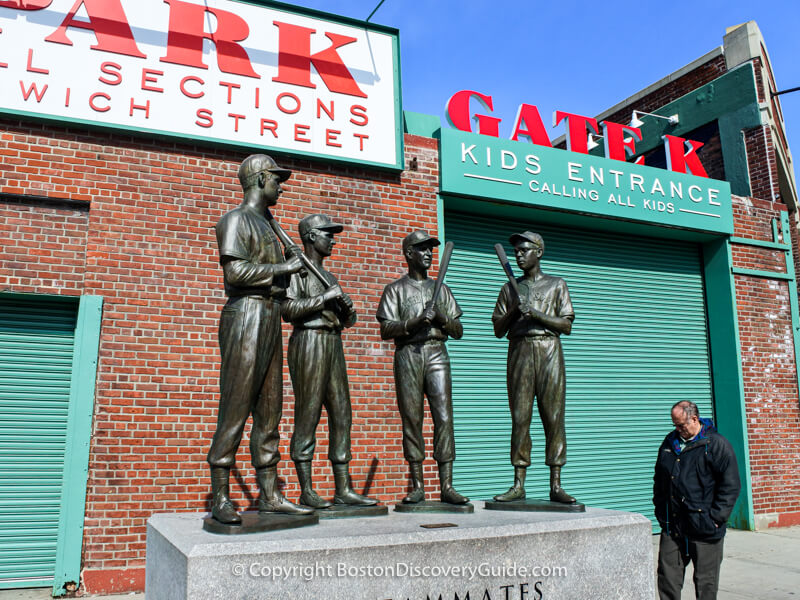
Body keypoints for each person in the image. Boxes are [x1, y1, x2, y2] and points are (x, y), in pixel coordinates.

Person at [206, 154, 312, 524]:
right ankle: (221, 496)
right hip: (245, 315)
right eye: (277, 179)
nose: (280, 186)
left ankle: (269, 494)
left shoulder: (269, 227)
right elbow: (235, 272)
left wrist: (293, 278)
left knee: (270, 412)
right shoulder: (236, 219)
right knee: (236, 407)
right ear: (260, 178)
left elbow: (281, 295)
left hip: (269, 316)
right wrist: (285, 267)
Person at [282, 214, 377, 509]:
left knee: (342, 413)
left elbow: (347, 321)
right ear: (311, 237)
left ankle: (343, 488)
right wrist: (324, 299)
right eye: (327, 234)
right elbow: (288, 310)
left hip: (333, 342)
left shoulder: (329, 276)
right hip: (308, 341)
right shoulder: (297, 273)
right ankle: (307, 490)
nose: (332, 240)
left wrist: (347, 310)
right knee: (308, 413)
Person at [376, 230, 469, 505]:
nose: (429, 253)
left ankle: (447, 485)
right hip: (408, 354)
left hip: (437, 352)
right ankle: (417, 485)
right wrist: (415, 322)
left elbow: (459, 330)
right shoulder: (395, 290)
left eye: (431, 249)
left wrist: (439, 316)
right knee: (412, 420)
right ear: (409, 254)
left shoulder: (441, 290)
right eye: (423, 248)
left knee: (444, 418)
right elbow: (386, 329)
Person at [491, 231, 576, 504]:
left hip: (549, 349)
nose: (518, 255)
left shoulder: (556, 285)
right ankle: (518, 484)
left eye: (524, 250)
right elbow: (497, 329)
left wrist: (536, 313)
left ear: (538, 252)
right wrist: (514, 310)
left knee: (554, 418)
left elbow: (566, 325)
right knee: (520, 419)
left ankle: (556, 483)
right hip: (520, 351)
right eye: (516, 251)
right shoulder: (509, 288)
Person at [654, 400, 741, 600]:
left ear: (694, 419)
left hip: (705, 526)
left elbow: (731, 486)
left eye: (681, 425)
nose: (677, 429)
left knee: (705, 583)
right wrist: (661, 511)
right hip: (673, 525)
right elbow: (659, 480)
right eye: (674, 424)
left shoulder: (716, 445)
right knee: (667, 579)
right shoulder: (670, 443)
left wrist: (716, 518)